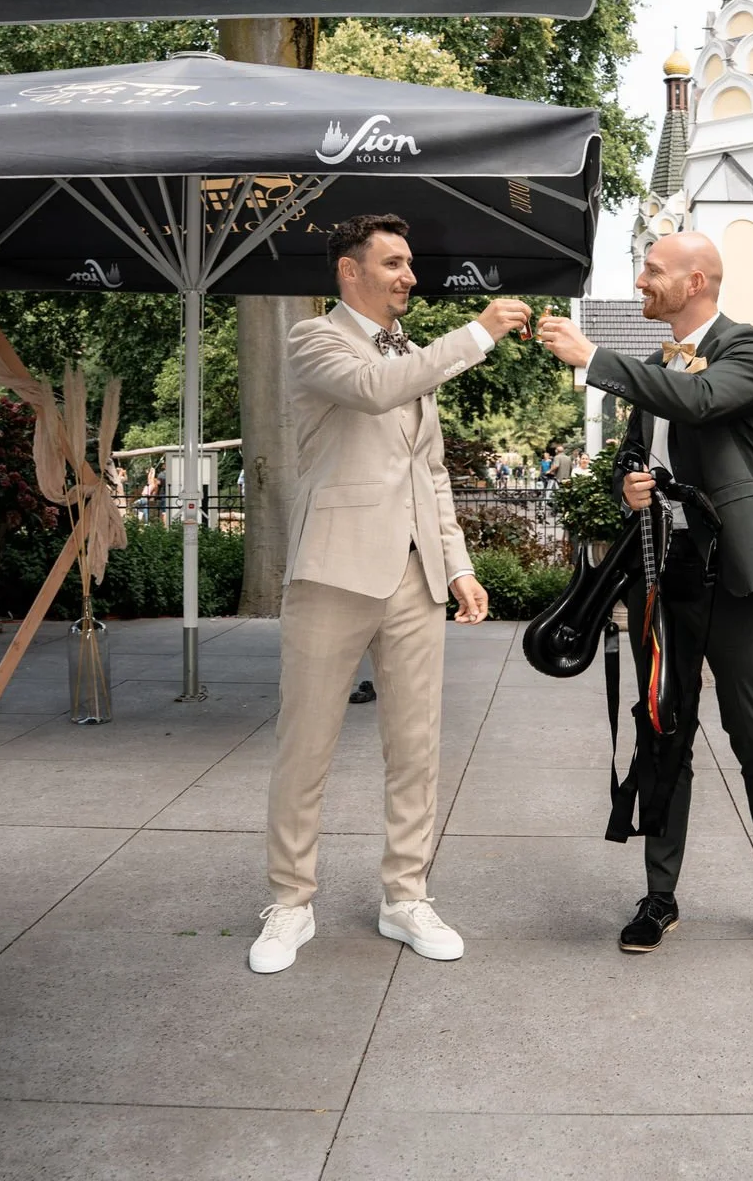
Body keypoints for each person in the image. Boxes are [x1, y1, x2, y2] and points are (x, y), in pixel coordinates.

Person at [537, 233, 753, 965]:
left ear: (694, 280)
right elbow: (634, 459)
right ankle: (659, 897)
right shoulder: (649, 369)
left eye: (651, 272)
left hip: (729, 572)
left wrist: (592, 363)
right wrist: (630, 483)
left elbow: (700, 402)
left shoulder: (748, 349)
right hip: (660, 575)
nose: (640, 281)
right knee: (661, 730)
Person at [249, 213, 531, 975]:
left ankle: (405, 895)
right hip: (333, 570)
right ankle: (289, 901)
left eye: (410, 263)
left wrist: (460, 565)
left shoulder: (411, 351)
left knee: (415, 747)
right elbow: (373, 391)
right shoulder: (314, 342)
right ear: (350, 271)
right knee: (305, 744)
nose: (411, 276)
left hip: (415, 577)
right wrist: (475, 335)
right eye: (395, 263)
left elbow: (429, 470)